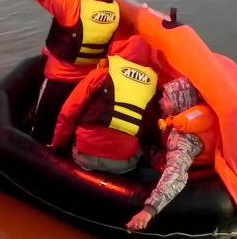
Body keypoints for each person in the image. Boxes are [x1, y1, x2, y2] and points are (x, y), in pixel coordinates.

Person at [0, 0, 119, 143]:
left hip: (59, 79)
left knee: (41, 128)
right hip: (85, 82)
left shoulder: (71, 2)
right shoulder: (114, 9)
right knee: (68, 121)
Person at [50, 35, 158, 174]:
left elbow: (68, 112)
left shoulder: (100, 75)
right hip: (123, 164)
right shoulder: (152, 88)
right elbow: (149, 132)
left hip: (86, 156)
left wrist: (58, 147)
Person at [126, 77, 219, 231]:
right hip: (196, 164)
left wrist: (148, 210)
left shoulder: (183, 137)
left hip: (193, 177)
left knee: (138, 171)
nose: (160, 102)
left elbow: (176, 173)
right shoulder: (196, 114)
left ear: (180, 103)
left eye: (167, 98)